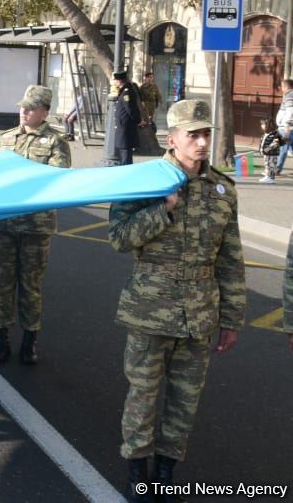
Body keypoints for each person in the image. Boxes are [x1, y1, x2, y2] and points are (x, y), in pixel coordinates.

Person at [108, 99, 245, 501]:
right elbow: (118, 239)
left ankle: (167, 469)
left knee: (185, 400)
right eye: (194, 135)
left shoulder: (222, 190)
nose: (202, 142)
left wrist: (232, 318)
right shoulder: (145, 181)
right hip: (150, 310)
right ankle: (138, 468)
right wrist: (161, 210)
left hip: (199, 314)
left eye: (207, 134)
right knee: (143, 395)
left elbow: (231, 258)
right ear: (172, 139)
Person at [0, 85, 72, 365]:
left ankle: (29, 340)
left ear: (45, 112)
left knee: (30, 285)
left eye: (31, 108)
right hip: (5, 225)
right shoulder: (5, 139)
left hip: (36, 227)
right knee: (2, 283)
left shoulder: (56, 142)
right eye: (22, 107)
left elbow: (57, 180)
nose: (24, 111)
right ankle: (1, 337)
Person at [111, 70, 141, 165]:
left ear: (120, 81)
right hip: (123, 126)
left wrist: (138, 120)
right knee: (123, 151)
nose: (115, 82)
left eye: (116, 80)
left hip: (125, 127)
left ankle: (126, 169)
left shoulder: (126, 92)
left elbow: (131, 109)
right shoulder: (123, 91)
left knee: (125, 152)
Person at [274, 79, 293, 176]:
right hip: (286, 127)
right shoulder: (289, 95)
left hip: (287, 128)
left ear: (287, 87)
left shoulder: (290, 95)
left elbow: (290, 112)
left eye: (282, 86)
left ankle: (277, 170)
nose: (281, 88)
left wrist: (287, 126)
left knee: (283, 149)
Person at [258, 117, 283, 184]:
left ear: (268, 125)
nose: (261, 126)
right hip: (266, 154)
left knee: (271, 165)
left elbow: (275, 143)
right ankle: (267, 176)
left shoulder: (274, 134)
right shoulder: (265, 133)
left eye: (263, 124)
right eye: (261, 124)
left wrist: (267, 149)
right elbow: (262, 143)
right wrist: (260, 150)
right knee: (267, 165)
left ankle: (271, 178)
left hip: (272, 153)